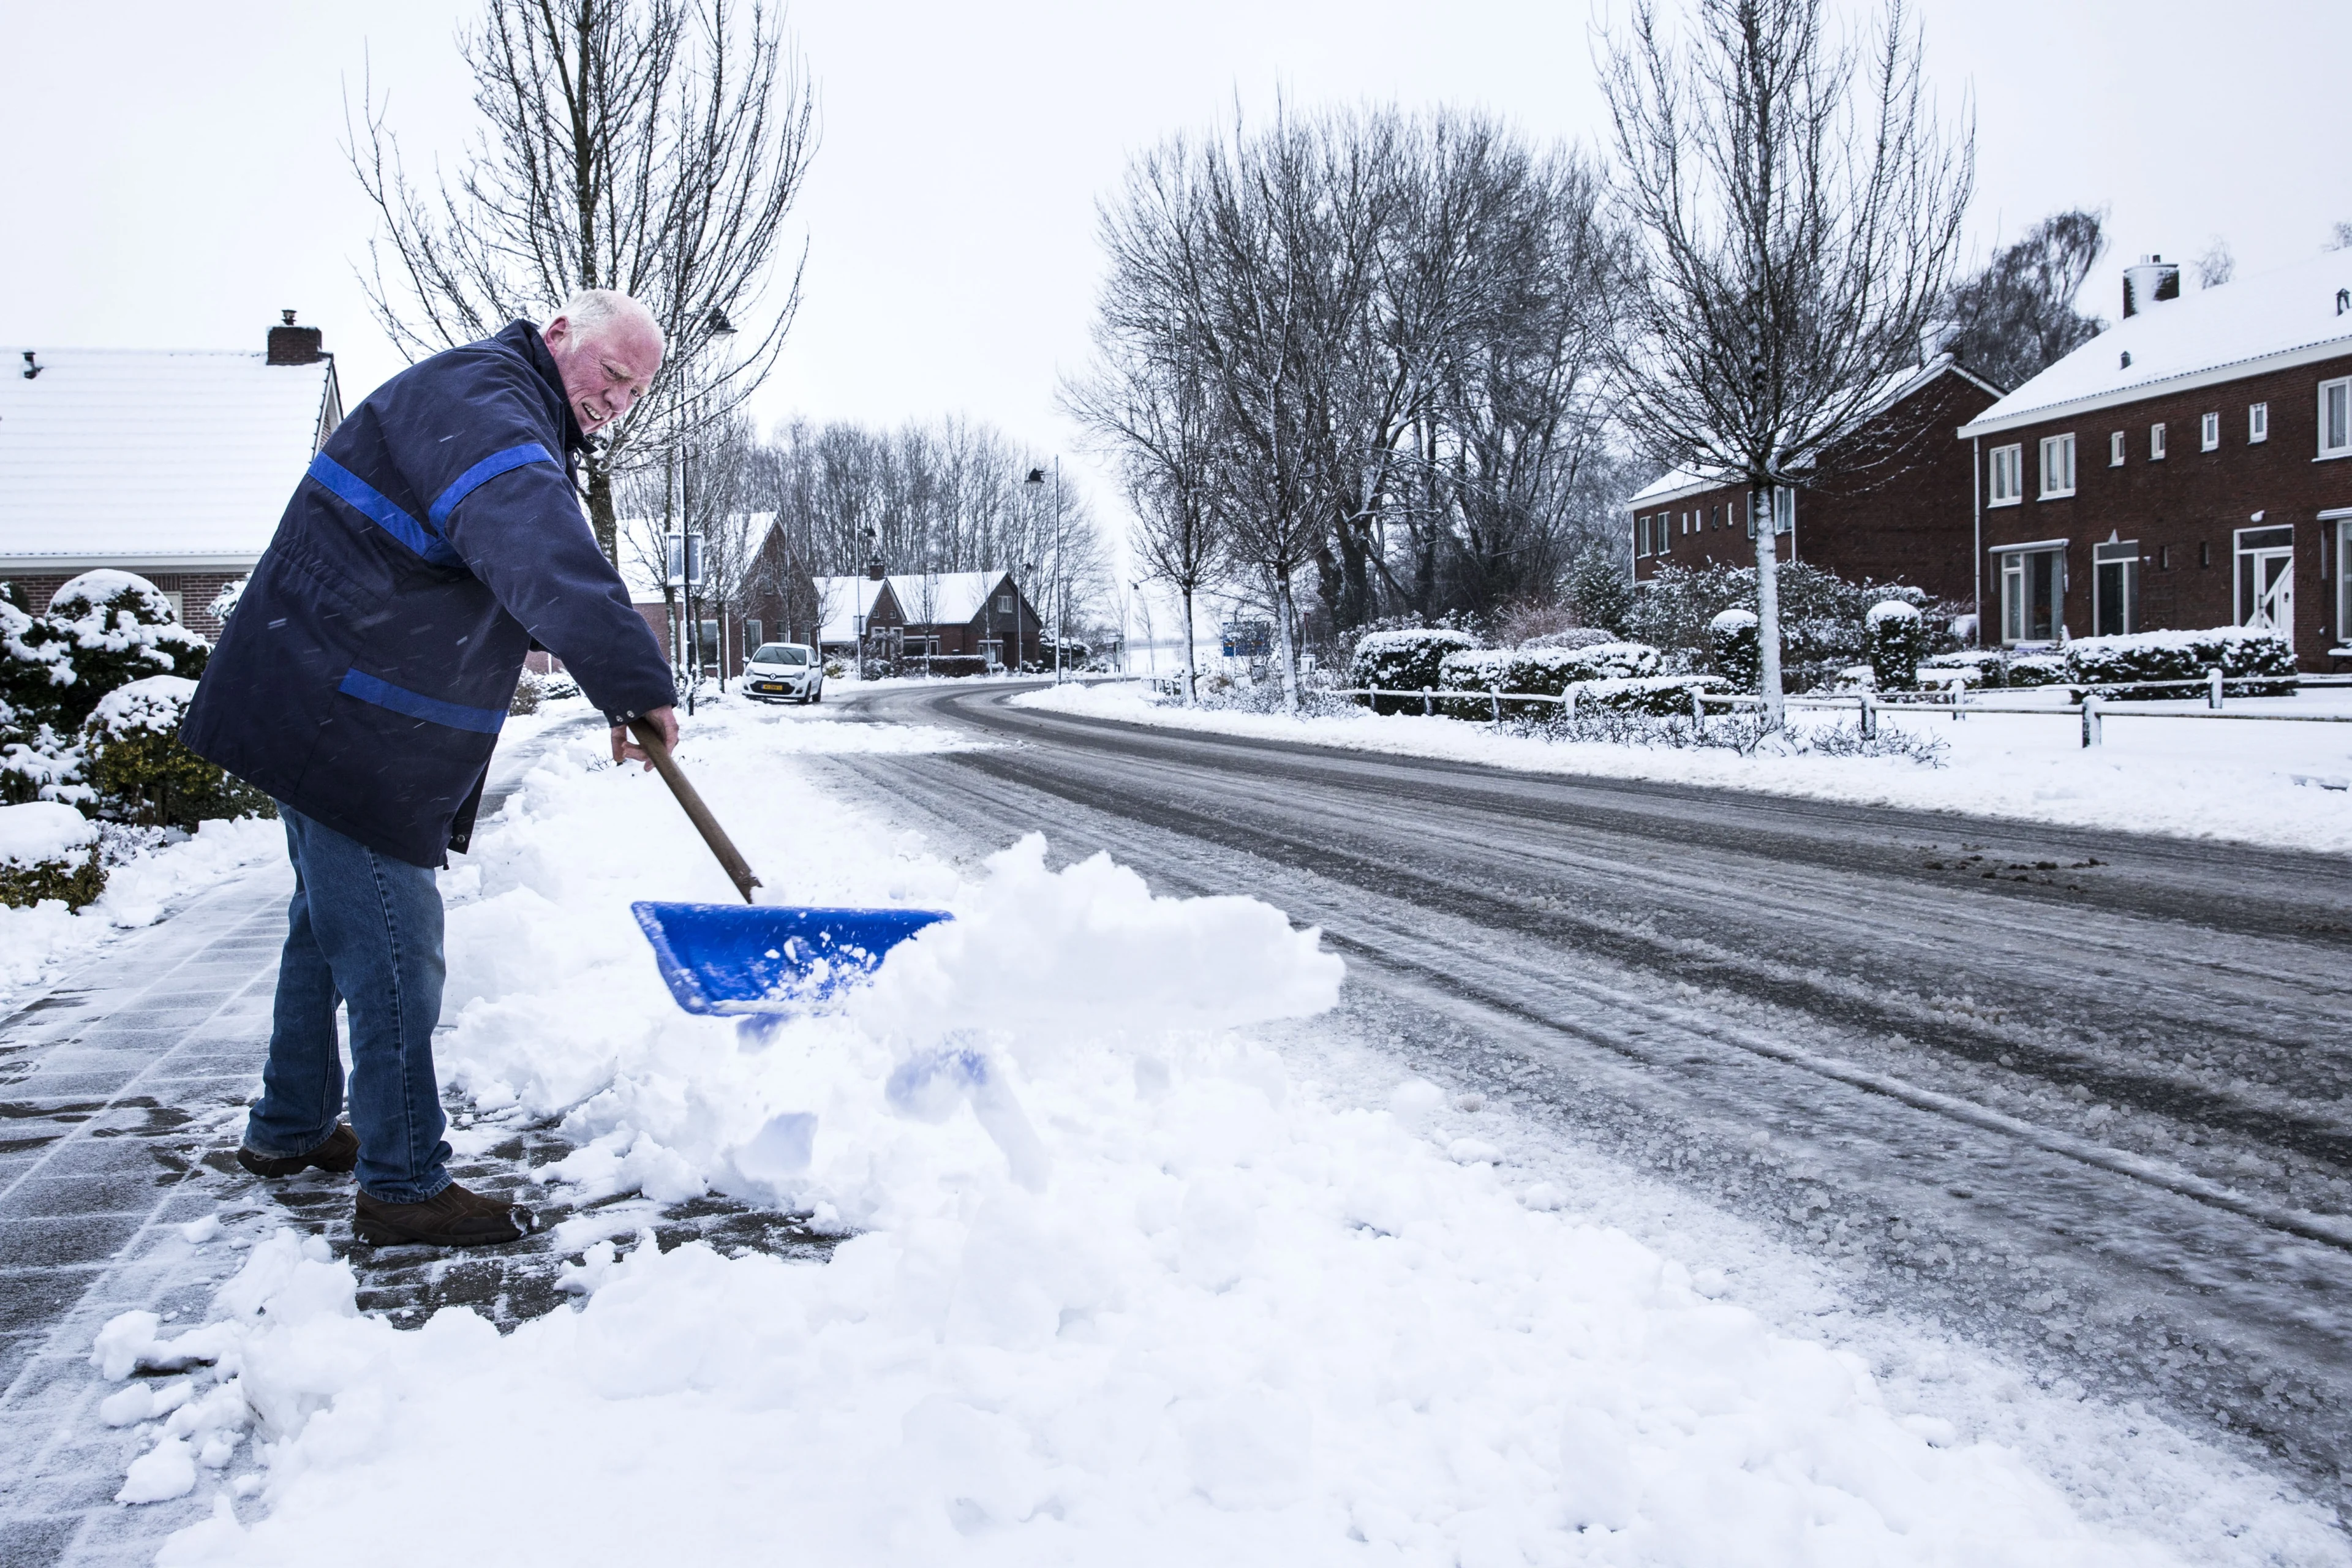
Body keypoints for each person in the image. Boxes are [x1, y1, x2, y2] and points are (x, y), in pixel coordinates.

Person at [181, 289, 682, 1248]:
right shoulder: (488, 407)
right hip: (342, 718)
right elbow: (542, 552)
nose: (618, 399)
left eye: (635, 392)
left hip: (321, 697)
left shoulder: (494, 403)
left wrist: (588, 663)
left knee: (324, 930)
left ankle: (287, 1128)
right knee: (395, 950)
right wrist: (629, 680)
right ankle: (405, 1182)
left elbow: (494, 571)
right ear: (559, 335)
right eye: (612, 375)